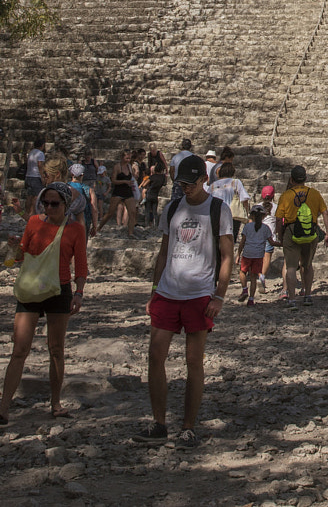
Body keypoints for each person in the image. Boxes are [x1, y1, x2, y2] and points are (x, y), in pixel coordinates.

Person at [137, 155, 233, 447]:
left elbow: (227, 255)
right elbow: (164, 251)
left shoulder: (219, 209)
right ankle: (159, 423)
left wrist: (219, 295)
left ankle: (188, 427)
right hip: (168, 290)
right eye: (181, 184)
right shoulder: (173, 207)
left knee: (194, 361)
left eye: (190, 184)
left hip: (199, 292)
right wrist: (153, 289)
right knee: (155, 355)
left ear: (203, 180)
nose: (186, 188)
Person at [0, 181, 87, 424]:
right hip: (32, 288)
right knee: (19, 348)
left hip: (59, 289)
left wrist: (79, 292)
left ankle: (56, 403)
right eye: (46, 203)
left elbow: (81, 265)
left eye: (54, 204)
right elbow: (24, 254)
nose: (49, 208)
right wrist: (14, 246)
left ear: (66, 205)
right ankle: (3, 409)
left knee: (56, 349)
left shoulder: (76, 230)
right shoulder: (33, 223)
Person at [274, 165, 328, 308]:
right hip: (310, 231)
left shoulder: (286, 196)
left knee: (291, 266)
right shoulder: (314, 194)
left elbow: (279, 219)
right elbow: (325, 213)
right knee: (307, 264)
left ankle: (291, 298)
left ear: (291, 180)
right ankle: (308, 295)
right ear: (305, 179)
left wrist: (280, 235)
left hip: (291, 230)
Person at [238, 206, 271, 305]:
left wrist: (238, 254)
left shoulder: (247, 227)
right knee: (253, 277)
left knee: (242, 272)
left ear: (251, 215)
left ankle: (244, 289)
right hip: (259, 255)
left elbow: (242, 242)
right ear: (263, 216)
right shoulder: (266, 228)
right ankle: (251, 299)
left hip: (248, 253)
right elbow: (271, 242)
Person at [209, 162, 251, 240]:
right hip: (232, 216)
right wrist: (246, 212)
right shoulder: (235, 182)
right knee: (230, 239)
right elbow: (244, 199)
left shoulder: (213, 185)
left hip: (216, 215)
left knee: (216, 239)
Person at [109, 150, 140, 237]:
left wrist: (134, 177)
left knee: (131, 211)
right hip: (119, 191)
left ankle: (130, 231)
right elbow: (113, 180)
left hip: (128, 191)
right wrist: (124, 181)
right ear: (122, 158)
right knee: (112, 212)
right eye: (127, 158)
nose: (128, 160)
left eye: (129, 158)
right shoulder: (117, 167)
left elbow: (133, 176)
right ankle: (99, 227)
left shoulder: (130, 166)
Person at [67, 163, 98, 236]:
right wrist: (94, 226)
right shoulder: (89, 190)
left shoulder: (65, 187)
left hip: (66, 221)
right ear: (82, 175)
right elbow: (94, 209)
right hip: (83, 222)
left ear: (71, 174)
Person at [257, 185, 278, 290]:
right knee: (267, 257)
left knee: (258, 256)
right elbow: (279, 222)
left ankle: (257, 274)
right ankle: (262, 276)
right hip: (270, 235)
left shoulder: (257, 207)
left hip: (258, 234)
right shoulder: (276, 207)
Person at [142, 150, 168, 225]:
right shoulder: (162, 177)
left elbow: (144, 185)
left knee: (147, 210)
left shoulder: (153, 177)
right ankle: (156, 224)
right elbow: (164, 184)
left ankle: (147, 224)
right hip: (155, 195)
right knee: (154, 211)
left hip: (149, 194)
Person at [25, 139, 47, 211]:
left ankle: (27, 212)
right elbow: (40, 165)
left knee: (29, 196)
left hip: (28, 176)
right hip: (36, 176)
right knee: (36, 197)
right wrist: (42, 177)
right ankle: (33, 213)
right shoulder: (40, 154)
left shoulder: (31, 152)